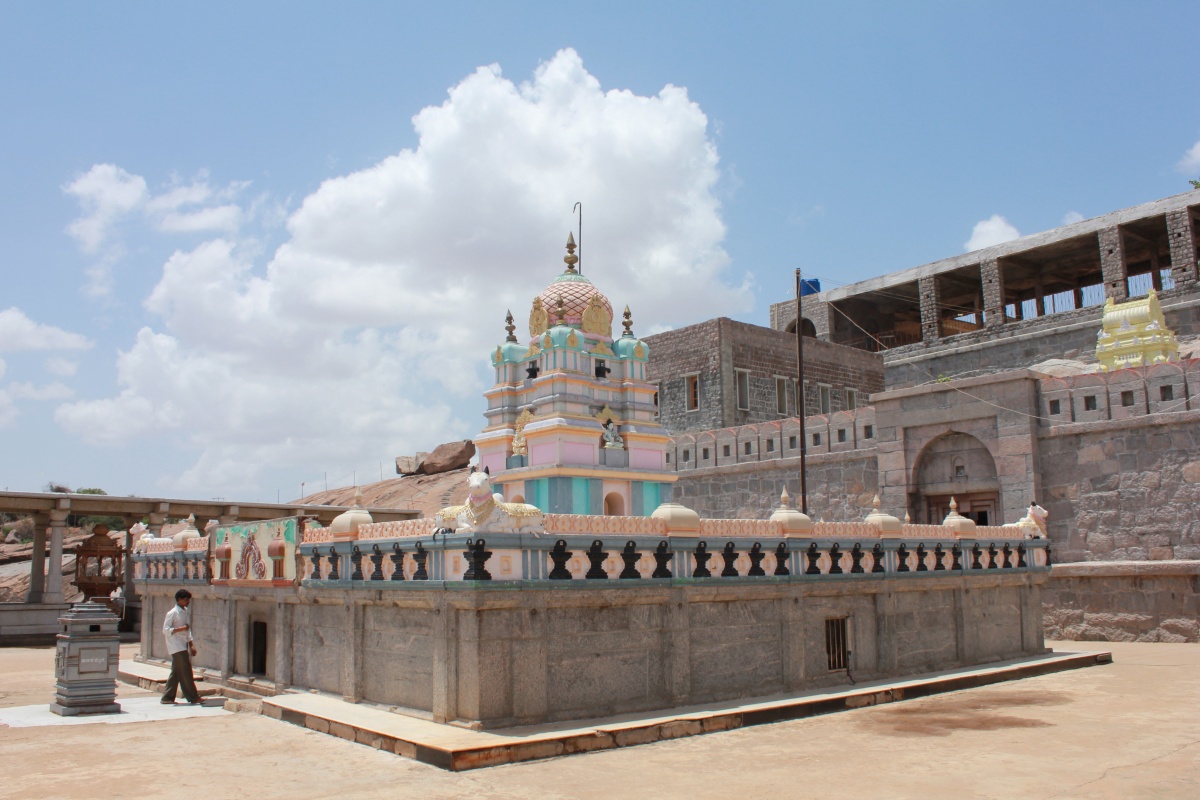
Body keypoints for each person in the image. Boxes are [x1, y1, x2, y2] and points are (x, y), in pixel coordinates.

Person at [161, 589, 201, 705]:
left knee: (176, 672)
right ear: (179, 600)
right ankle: (193, 696)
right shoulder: (172, 613)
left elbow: (188, 630)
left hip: (183, 644)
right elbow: (165, 630)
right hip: (176, 646)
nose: (188, 602)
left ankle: (167, 697)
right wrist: (180, 629)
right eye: (186, 599)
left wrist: (191, 645)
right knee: (186, 671)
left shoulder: (185, 611)